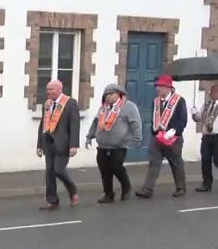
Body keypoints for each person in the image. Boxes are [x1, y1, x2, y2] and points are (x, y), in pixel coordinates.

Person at [85, 84, 142, 203]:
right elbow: (95, 123)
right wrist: (89, 136)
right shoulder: (103, 108)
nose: (108, 97)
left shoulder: (129, 107)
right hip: (102, 145)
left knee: (116, 167)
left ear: (119, 94)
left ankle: (126, 187)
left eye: (111, 94)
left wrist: (137, 138)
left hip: (119, 145)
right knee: (104, 170)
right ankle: (108, 193)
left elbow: (135, 123)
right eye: (106, 95)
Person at [136, 74, 189, 198]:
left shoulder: (179, 101)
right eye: (157, 86)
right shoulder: (156, 101)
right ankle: (147, 189)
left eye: (160, 86)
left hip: (173, 138)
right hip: (157, 137)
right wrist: (154, 132)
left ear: (168, 87)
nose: (157, 89)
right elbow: (154, 118)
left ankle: (181, 187)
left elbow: (183, 120)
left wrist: (174, 131)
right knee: (154, 162)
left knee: (175, 162)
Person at [37, 80, 80, 210]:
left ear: (60, 89)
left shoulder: (70, 103)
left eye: (52, 89)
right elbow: (42, 124)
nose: (49, 92)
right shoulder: (47, 104)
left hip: (63, 143)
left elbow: (74, 125)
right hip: (48, 143)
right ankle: (52, 200)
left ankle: (72, 190)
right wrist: (39, 144)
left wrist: (74, 145)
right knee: (49, 173)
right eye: (48, 90)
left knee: (59, 170)